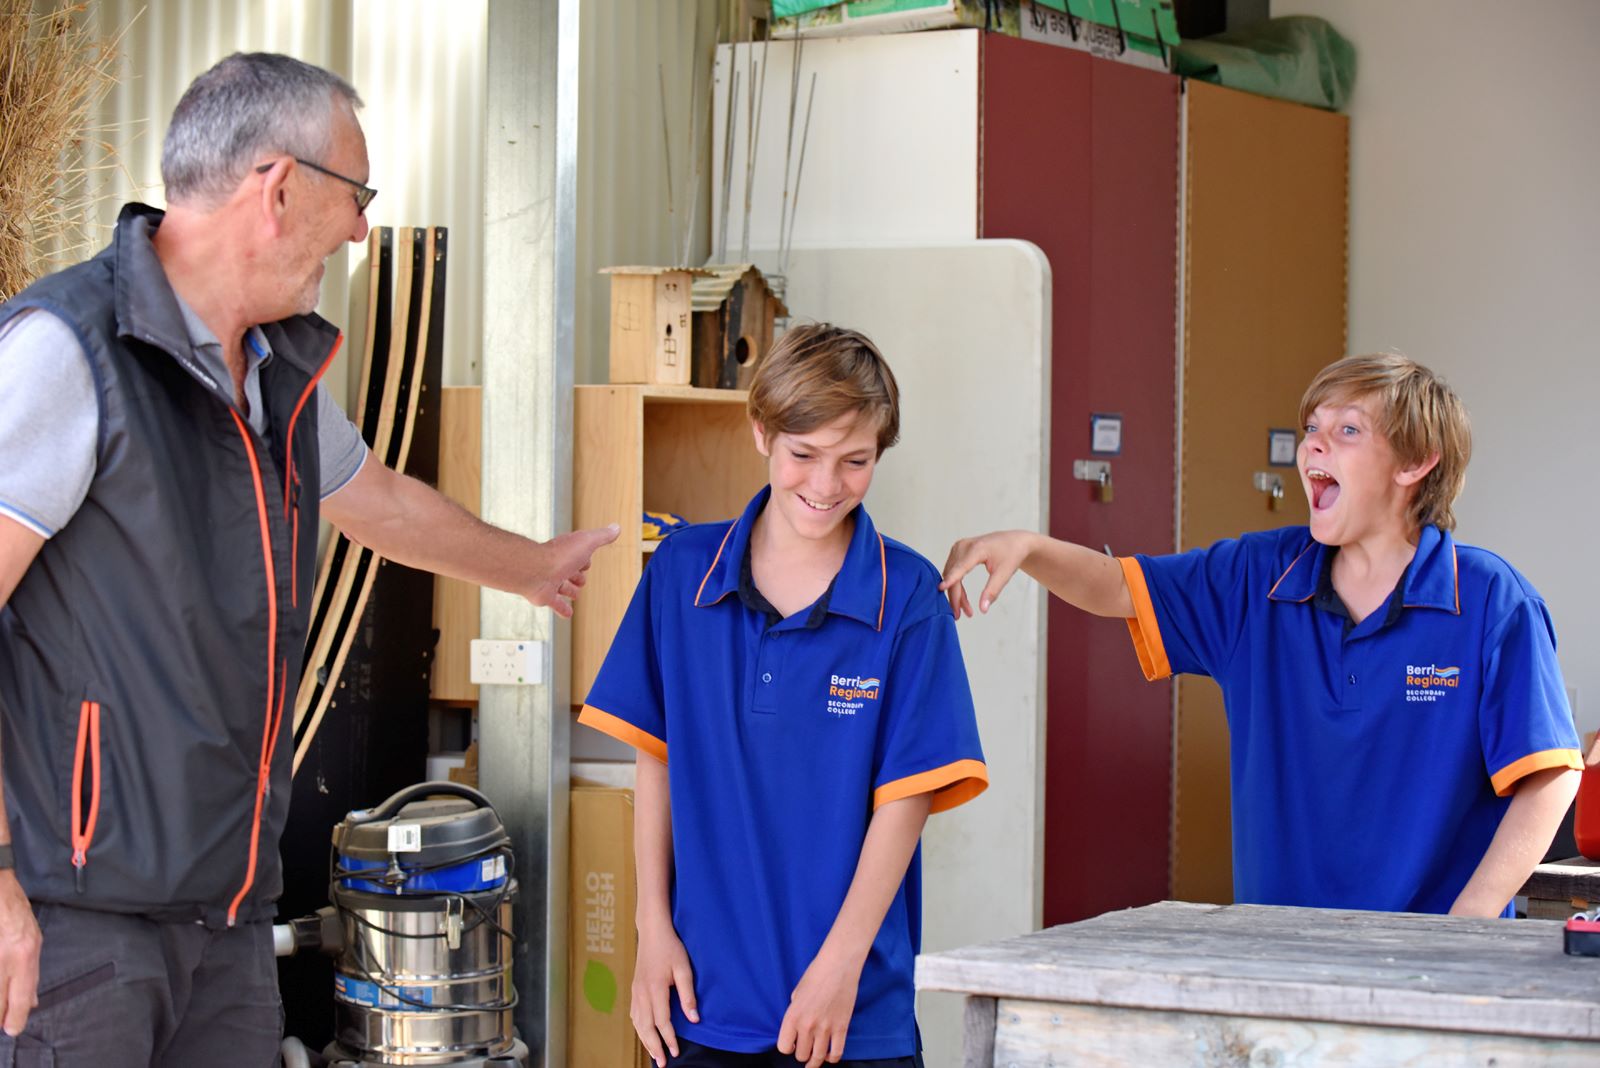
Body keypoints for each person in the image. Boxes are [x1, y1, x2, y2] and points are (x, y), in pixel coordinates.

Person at [0, 52, 617, 1065]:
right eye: (357, 194)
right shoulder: (69, 354)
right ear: (279, 188)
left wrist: (532, 567)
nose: (364, 228)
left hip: (228, 915)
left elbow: (372, 498)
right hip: (76, 923)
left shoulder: (273, 370)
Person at [941, 353, 1581, 918]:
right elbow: (1114, 586)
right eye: (1311, 429)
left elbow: (1551, 775)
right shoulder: (1254, 578)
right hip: (1275, 954)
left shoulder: (1493, 599)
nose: (1313, 448)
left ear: (1416, 463)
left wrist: (1465, 924)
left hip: (1432, 968)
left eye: (1347, 431)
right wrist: (1028, 547)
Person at [578, 324, 986, 1068]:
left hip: (850, 1014)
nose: (826, 486)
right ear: (761, 431)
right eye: (804, 456)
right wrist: (651, 928)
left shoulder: (910, 597)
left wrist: (840, 969)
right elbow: (656, 760)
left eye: (855, 462)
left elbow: (907, 802)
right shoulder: (680, 574)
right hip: (704, 1002)